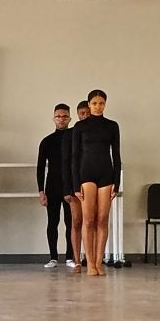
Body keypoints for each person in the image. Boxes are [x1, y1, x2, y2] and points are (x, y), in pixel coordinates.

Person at [72, 90, 120, 277]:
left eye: (101, 103)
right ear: (89, 105)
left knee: (102, 219)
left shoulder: (112, 126)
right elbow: (75, 157)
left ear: (105, 104)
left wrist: (116, 181)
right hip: (87, 174)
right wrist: (76, 184)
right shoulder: (80, 126)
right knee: (88, 219)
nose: (98, 106)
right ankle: (90, 262)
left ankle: (99, 260)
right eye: (94, 103)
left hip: (106, 174)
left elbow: (116, 154)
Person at [37, 104, 74, 269]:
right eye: (58, 116)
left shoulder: (75, 138)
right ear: (53, 119)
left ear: (69, 118)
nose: (61, 119)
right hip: (51, 186)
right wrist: (41, 191)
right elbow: (40, 167)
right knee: (52, 222)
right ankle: (53, 257)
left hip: (70, 187)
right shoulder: (47, 141)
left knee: (71, 222)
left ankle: (70, 257)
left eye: (64, 116)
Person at [62, 100, 90, 273]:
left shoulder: (96, 132)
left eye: (88, 113)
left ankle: (91, 258)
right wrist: (67, 189)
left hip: (92, 181)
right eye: (82, 113)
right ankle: (77, 259)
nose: (85, 116)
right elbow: (66, 163)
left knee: (91, 222)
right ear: (78, 115)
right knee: (77, 221)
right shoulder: (69, 135)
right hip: (74, 185)